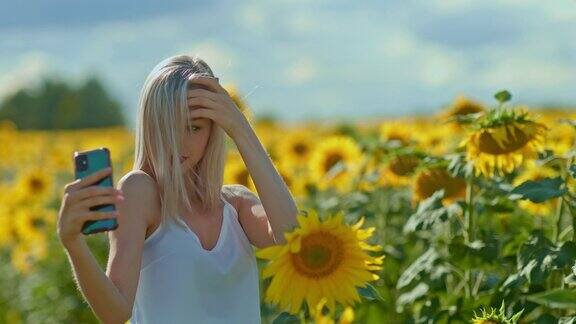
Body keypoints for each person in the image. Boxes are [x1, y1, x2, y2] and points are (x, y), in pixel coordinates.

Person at [56, 54, 299, 324]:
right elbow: (116, 313)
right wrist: (73, 244)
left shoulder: (237, 205)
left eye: (194, 127)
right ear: (149, 125)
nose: (178, 142)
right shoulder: (141, 193)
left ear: (213, 131)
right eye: (168, 126)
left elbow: (291, 237)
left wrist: (241, 128)